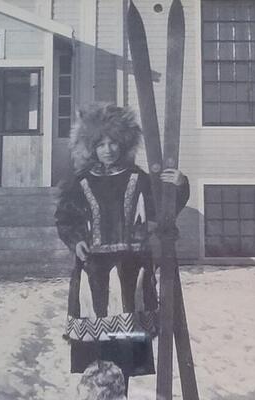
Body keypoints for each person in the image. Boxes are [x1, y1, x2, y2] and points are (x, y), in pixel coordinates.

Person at [55, 103, 189, 396]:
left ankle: (121, 392)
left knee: (124, 348)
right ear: (90, 147)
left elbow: (162, 214)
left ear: (124, 143)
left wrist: (179, 186)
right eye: (100, 144)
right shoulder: (80, 182)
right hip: (94, 273)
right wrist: (76, 238)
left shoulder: (138, 178)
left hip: (130, 273)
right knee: (96, 350)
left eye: (113, 142)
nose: (108, 149)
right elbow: (66, 217)